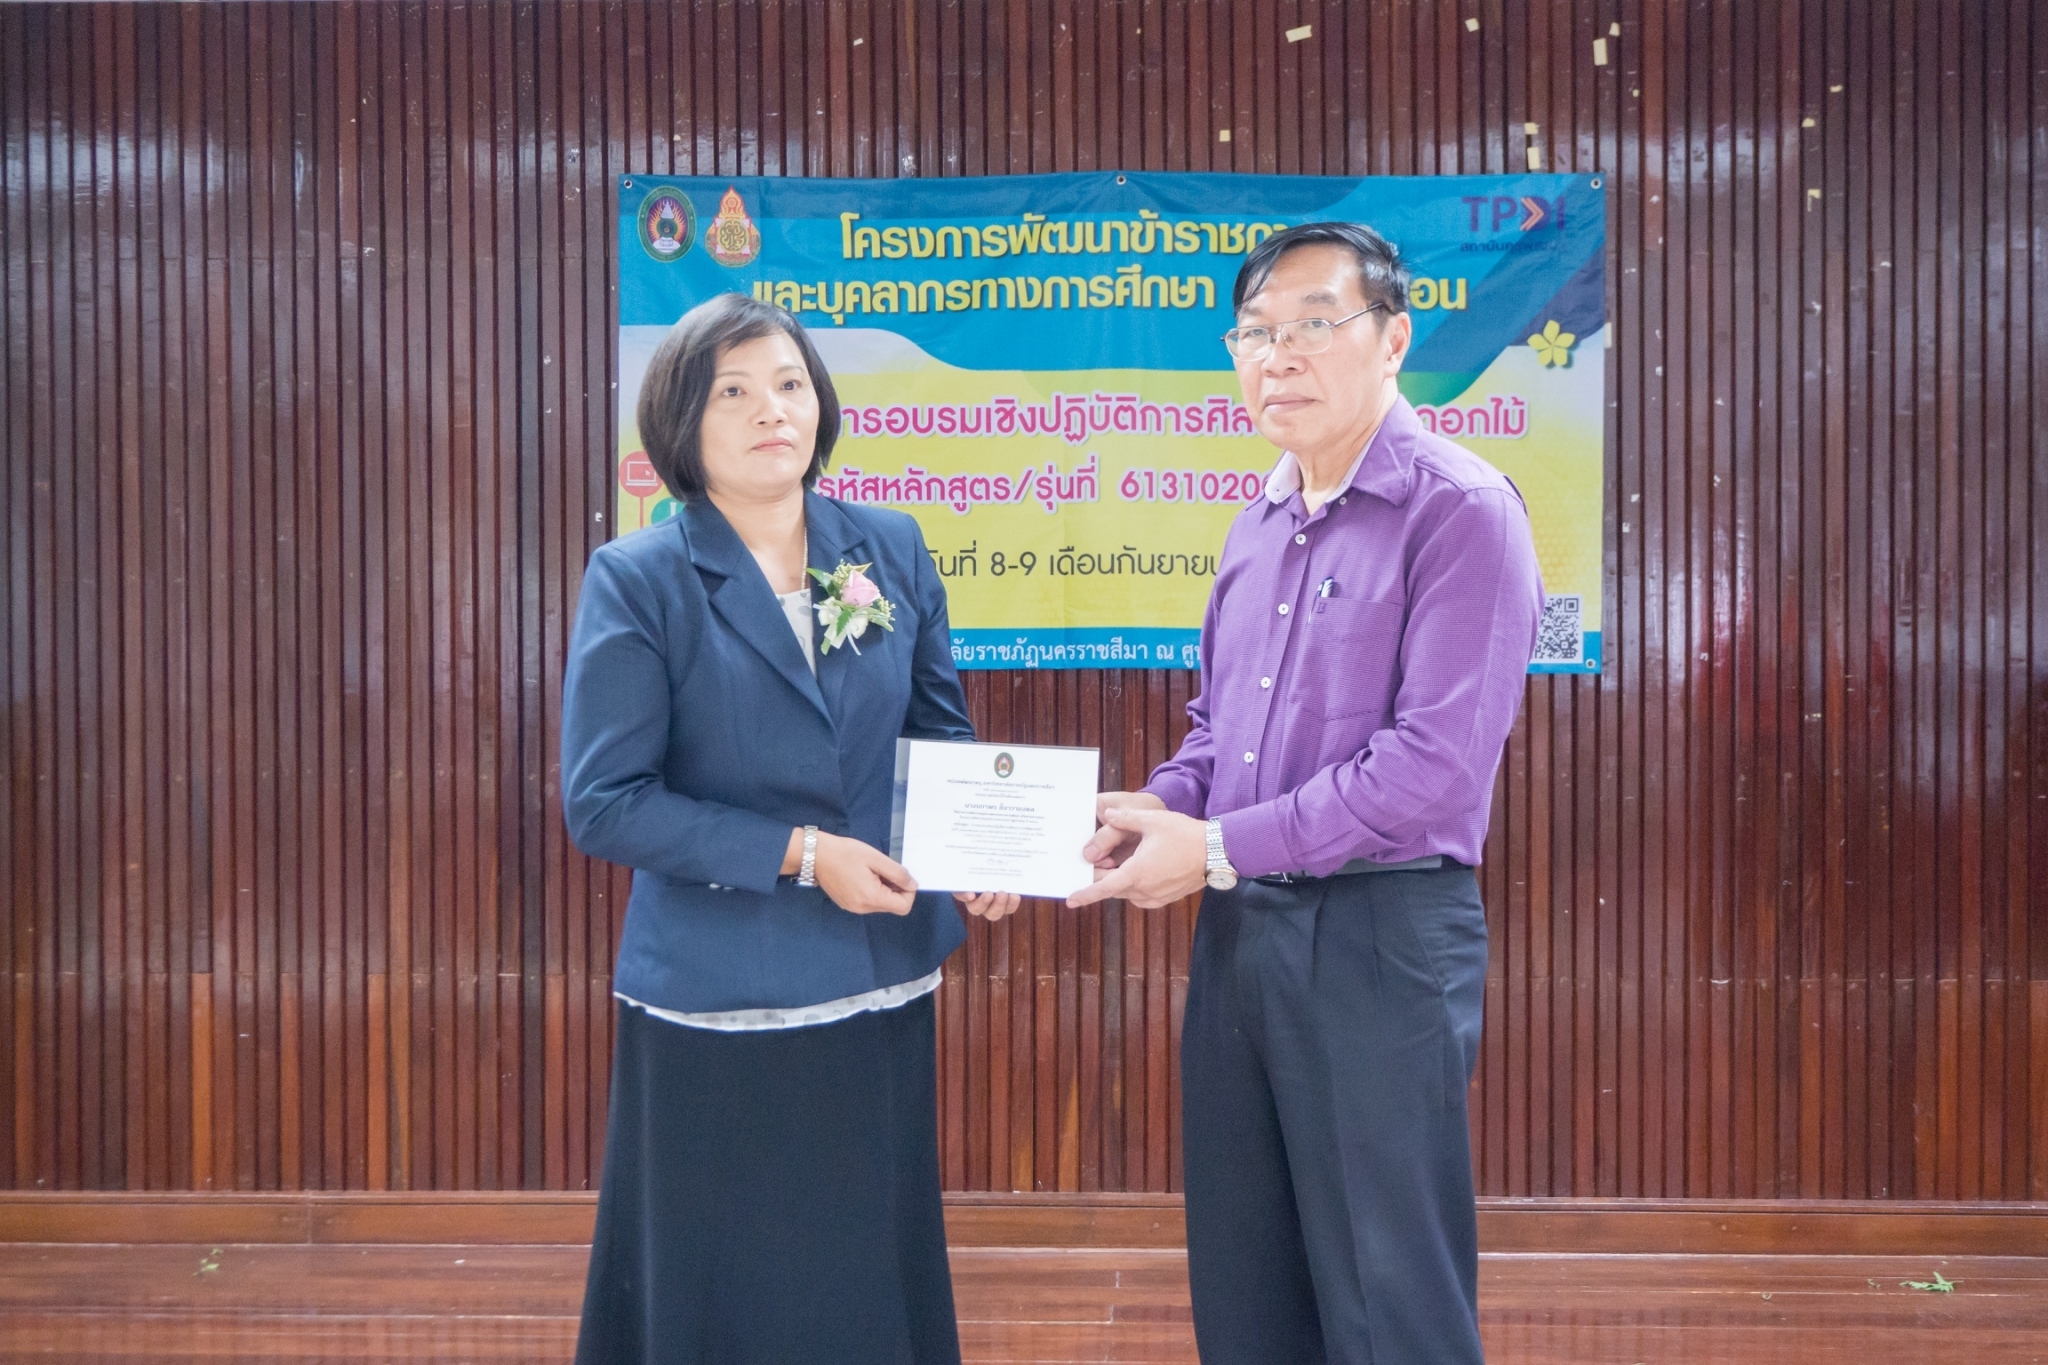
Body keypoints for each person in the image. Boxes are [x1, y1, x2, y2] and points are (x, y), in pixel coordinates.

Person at [1069, 222, 1543, 1364]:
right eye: (1254, 333)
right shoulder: (1258, 525)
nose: (1277, 356)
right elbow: (1217, 734)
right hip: (1242, 934)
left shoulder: (1461, 511)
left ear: (1394, 340)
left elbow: (1429, 766)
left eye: (1314, 324)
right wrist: (1147, 810)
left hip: (1381, 937)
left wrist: (1211, 845)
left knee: (1388, 1299)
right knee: (1248, 1279)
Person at [561, 292, 1019, 1364]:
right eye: (733, 390)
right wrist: (806, 856)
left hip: (878, 977)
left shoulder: (888, 546)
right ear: (681, 422)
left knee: (862, 1276)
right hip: (720, 993)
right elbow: (605, 800)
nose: (772, 409)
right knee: (729, 1285)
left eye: (788, 382)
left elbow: (933, 737)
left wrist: (979, 850)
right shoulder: (639, 578)